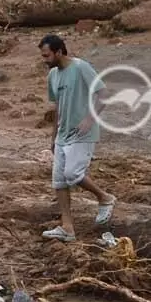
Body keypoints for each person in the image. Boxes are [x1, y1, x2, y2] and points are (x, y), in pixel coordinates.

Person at [39, 34, 117, 241]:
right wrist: (53, 138)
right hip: (62, 135)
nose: (44, 60)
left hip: (82, 134)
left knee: (73, 174)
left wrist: (89, 120)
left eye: (47, 56)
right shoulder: (53, 76)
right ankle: (67, 228)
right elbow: (57, 107)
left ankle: (105, 198)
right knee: (59, 182)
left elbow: (104, 95)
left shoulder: (81, 67)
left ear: (58, 51)